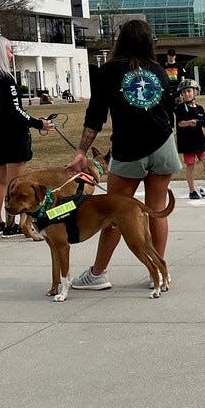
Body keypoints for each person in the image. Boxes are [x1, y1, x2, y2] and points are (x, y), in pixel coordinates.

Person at [66, 18, 180, 289]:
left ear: (121, 40)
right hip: (163, 145)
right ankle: (158, 271)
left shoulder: (108, 71)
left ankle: (98, 274)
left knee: (114, 214)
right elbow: (169, 111)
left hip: (129, 150)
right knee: (156, 211)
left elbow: (95, 116)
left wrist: (82, 150)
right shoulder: (159, 71)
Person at [0, 34, 50, 236]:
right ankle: (10, 225)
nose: (11, 55)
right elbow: (16, 111)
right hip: (13, 136)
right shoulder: (6, 80)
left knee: (0, 179)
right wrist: (38, 123)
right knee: (15, 181)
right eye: (9, 50)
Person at [174, 80, 205, 199]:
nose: (187, 94)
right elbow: (180, 123)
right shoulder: (181, 108)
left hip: (199, 139)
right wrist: (189, 122)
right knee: (191, 164)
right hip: (187, 141)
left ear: (195, 92)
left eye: (189, 91)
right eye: (184, 92)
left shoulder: (200, 109)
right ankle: (192, 190)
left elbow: (204, 124)